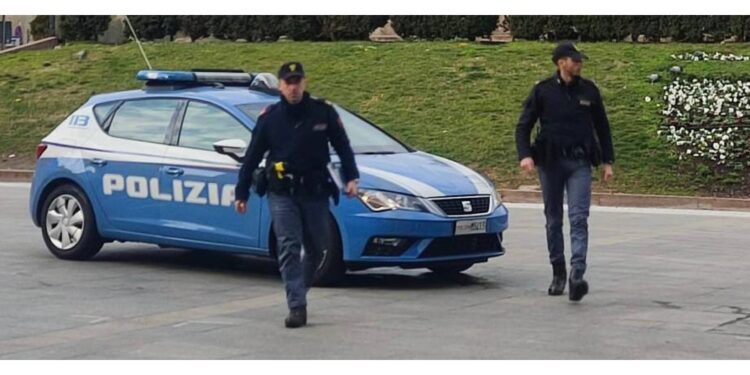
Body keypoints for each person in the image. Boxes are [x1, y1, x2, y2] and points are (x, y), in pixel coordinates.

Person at [235, 62, 360, 327]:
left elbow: (343, 146)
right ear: (280, 85)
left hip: (315, 191)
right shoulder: (270, 118)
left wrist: (351, 177)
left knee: (318, 245)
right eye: (288, 82)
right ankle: (296, 306)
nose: (293, 87)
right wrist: (241, 192)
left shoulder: (322, 113)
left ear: (305, 83)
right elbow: (252, 157)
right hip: (282, 192)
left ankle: (299, 290)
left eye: (297, 81)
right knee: (289, 246)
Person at [514, 41, 615, 302]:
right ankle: (558, 271)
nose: (579, 64)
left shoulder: (589, 91)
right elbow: (523, 125)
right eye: (575, 60)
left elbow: (602, 127)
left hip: (579, 162)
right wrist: (525, 155)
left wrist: (607, 162)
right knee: (554, 219)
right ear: (561, 62)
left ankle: (576, 275)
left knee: (579, 218)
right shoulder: (543, 91)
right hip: (550, 163)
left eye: (580, 60)